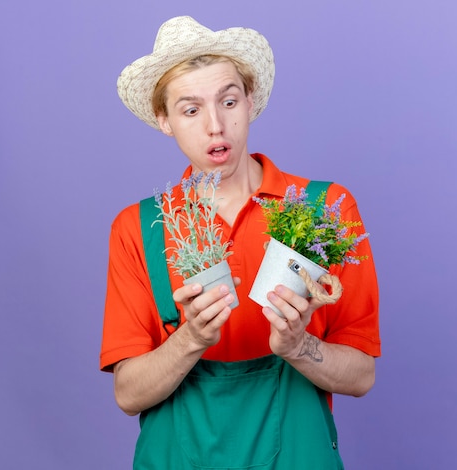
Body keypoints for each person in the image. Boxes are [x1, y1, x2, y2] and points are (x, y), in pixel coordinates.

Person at [100, 16, 381, 469]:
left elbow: (361, 375)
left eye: (228, 101)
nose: (216, 125)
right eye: (190, 110)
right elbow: (129, 394)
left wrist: (296, 345)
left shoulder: (323, 210)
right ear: (164, 121)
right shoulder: (138, 228)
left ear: (249, 101)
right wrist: (190, 337)